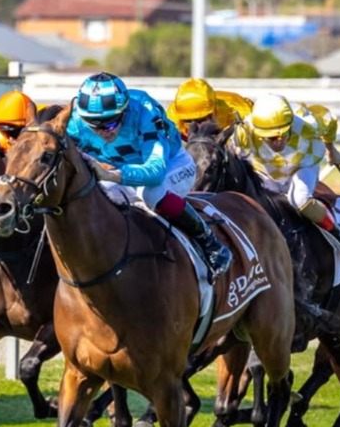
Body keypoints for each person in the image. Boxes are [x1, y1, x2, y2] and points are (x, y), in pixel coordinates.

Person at [67, 72, 231, 277]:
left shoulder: (144, 111)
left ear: (124, 111)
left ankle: (211, 244)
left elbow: (155, 172)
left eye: (110, 123)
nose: (103, 132)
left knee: (151, 193)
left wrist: (112, 176)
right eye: (94, 125)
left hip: (172, 164)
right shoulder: (75, 123)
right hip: (124, 170)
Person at [230, 93, 340, 257]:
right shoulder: (243, 132)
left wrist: (331, 150)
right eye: (271, 138)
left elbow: (329, 119)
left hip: (303, 165)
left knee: (299, 199)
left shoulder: (308, 123)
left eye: (284, 134)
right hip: (266, 171)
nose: (279, 142)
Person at [167, 78, 254, 140]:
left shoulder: (240, 110)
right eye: (188, 121)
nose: (196, 127)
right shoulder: (171, 119)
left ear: (214, 110)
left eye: (201, 120)